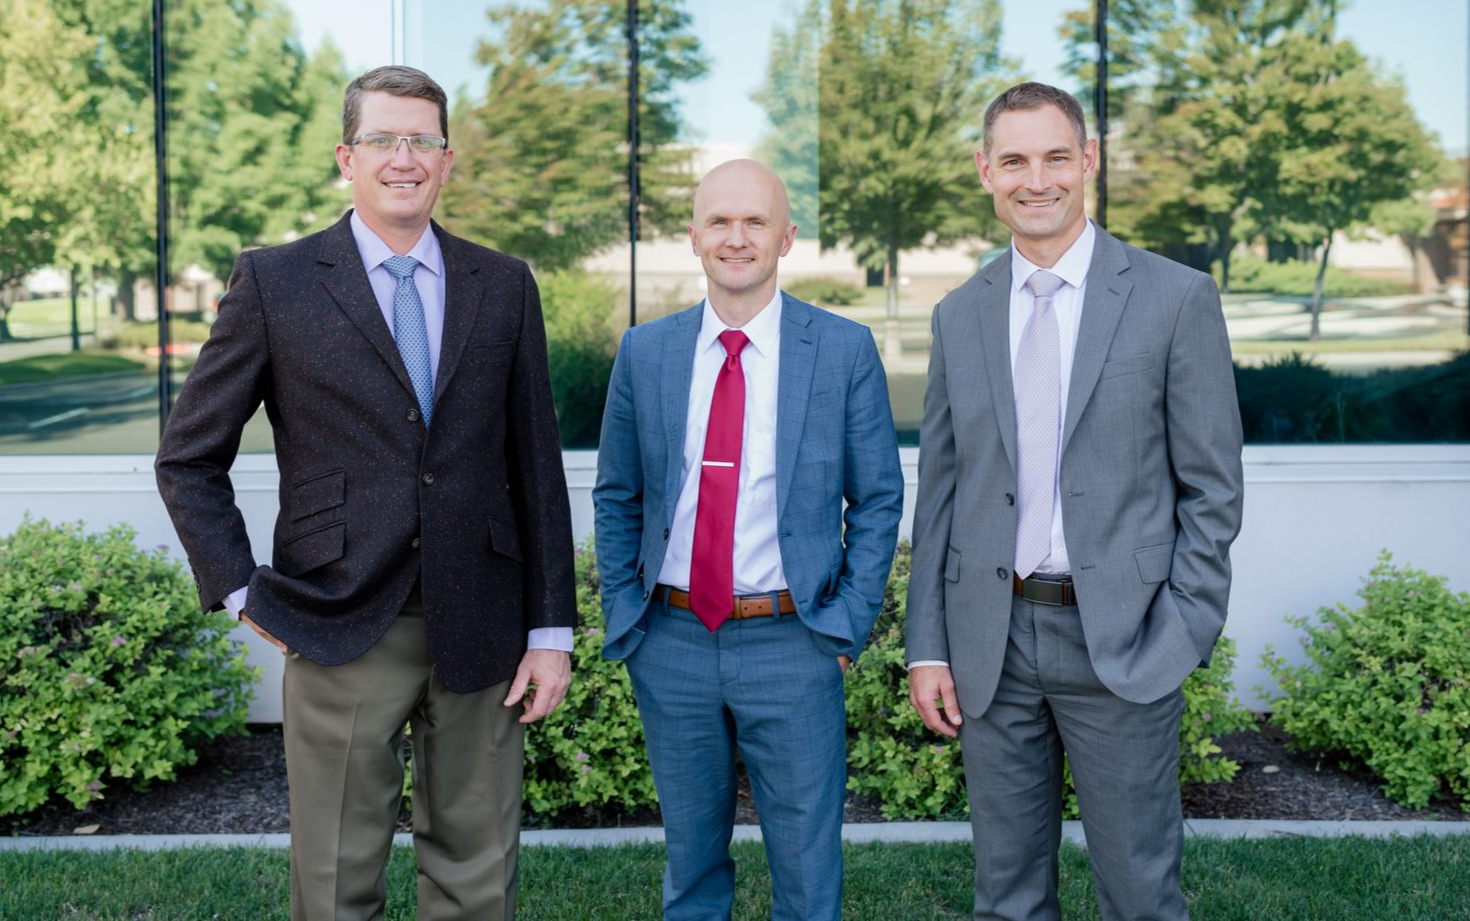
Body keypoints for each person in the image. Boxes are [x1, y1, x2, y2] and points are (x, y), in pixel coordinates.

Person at [155, 65, 576, 921]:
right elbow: (188, 457)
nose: (404, 157)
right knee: (337, 880)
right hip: (336, 613)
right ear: (347, 157)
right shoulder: (274, 282)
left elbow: (536, 464)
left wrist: (551, 627)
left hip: (483, 619)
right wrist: (241, 591)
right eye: (383, 138)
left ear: (448, 161)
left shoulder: (503, 284)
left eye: (422, 140)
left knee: (478, 873)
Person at [905, 82, 1245, 921]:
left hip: (1124, 639)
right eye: (1014, 160)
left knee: (1139, 893)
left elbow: (1213, 487)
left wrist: (1182, 628)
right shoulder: (959, 314)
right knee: (1007, 896)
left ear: (1089, 160)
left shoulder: (1175, 298)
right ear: (986, 171)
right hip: (995, 639)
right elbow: (942, 491)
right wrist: (927, 647)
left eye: (1057, 156)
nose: (1037, 179)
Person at [593, 159, 903, 921]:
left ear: (786, 237)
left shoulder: (841, 349)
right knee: (691, 857)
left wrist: (843, 621)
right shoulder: (646, 352)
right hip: (672, 638)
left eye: (756, 221)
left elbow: (878, 498)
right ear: (693, 236)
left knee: (805, 859)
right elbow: (618, 493)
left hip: (792, 638)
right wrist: (628, 612)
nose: (737, 237)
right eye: (720, 221)